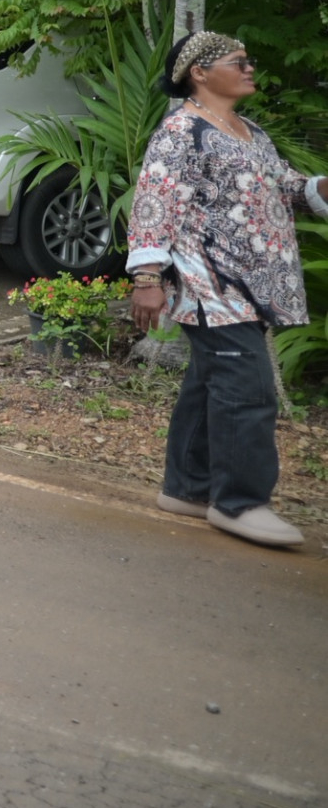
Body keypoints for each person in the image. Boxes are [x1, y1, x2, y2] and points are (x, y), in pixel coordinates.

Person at [128, 32, 327, 550]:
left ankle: (188, 489)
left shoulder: (250, 132)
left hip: (253, 283)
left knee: (208, 383)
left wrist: (318, 187)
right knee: (248, 390)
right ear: (199, 71)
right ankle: (239, 502)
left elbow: (284, 185)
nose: (249, 68)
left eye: (248, 61)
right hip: (212, 284)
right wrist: (147, 279)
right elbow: (154, 204)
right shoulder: (180, 132)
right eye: (238, 62)